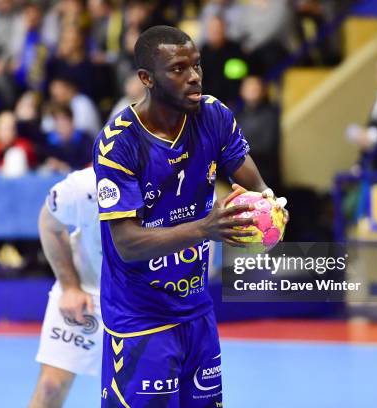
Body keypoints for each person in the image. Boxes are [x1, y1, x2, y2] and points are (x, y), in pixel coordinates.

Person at [93, 25, 287, 407]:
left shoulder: (212, 116)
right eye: (179, 69)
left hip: (196, 309)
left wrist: (269, 211)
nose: (194, 75)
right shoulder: (120, 143)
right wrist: (205, 228)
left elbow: (254, 183)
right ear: (147, 79)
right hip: (140, 318)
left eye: (196, 65)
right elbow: (127, 243)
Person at [30, 167, 104, 408]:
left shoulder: (175, 179)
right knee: (50, 387)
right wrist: (71, 287)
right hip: (87, 289)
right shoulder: (84, 185)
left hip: (145, 301)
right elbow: (49, 224)